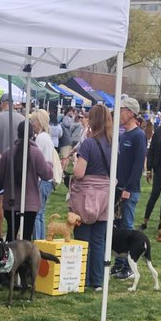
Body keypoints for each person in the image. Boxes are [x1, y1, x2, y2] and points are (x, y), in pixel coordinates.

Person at [70, 103, 113, 290]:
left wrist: (73, 165)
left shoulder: (88, 144)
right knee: (98, 239)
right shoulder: (113, 143)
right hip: (105, 194)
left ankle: (82, 278)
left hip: (86, 194)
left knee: (82, 237)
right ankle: (97, 280)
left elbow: (79, 172)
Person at [0, 121, 52, 242]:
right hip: (30, 204)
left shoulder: (8, 152)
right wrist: (49, 164)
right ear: (32, 134)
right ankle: (25, 259)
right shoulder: (37, 153)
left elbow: (0, 174)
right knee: (26, 240)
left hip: (11, 202)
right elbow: (47, 175)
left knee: (11, 236)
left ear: (18, 133)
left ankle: (10, 259)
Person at [0, 94, 24, 239]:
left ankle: (1, 234)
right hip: (19, 167)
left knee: (0, 199)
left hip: (0, 166)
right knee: (18, 200)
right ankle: (16, 232)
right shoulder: (22, 119)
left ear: (2, 103)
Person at [115, 95, 148, 230]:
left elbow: (138, 164)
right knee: (118, 224)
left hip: (129, 189)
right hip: (119, 186)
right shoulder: (124, 135)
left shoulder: (138, 135)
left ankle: (129, 251)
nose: (119, 113)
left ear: (130, 113)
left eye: (121, 110)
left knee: (127, 224)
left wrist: (128, 188)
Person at [29, 108, 56, 240]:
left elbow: (36, 160)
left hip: (41, 180)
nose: (32, 124)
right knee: (41, 213)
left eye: (33, 121)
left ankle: (38, 242)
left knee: (37, 214)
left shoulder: (40, 138)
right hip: (47, 181)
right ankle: (42, 241)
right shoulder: (47, 138)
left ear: (38, 122)